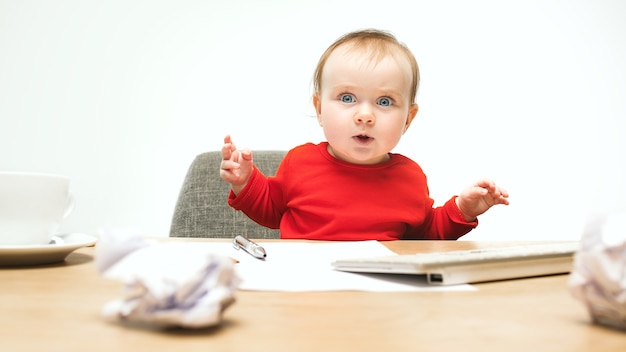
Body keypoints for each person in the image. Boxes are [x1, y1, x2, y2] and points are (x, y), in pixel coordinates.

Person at [220, 29, 509, 241]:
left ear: (408, 119)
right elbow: (271, 210)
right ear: (319, 109)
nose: (365, 115)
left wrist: (462, 209)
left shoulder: (410, 177)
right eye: (347, 98)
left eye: (384, 102)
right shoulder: (300, 162)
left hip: (380, 293)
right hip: (305, 287)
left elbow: (427, 233)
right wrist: (246, 181)